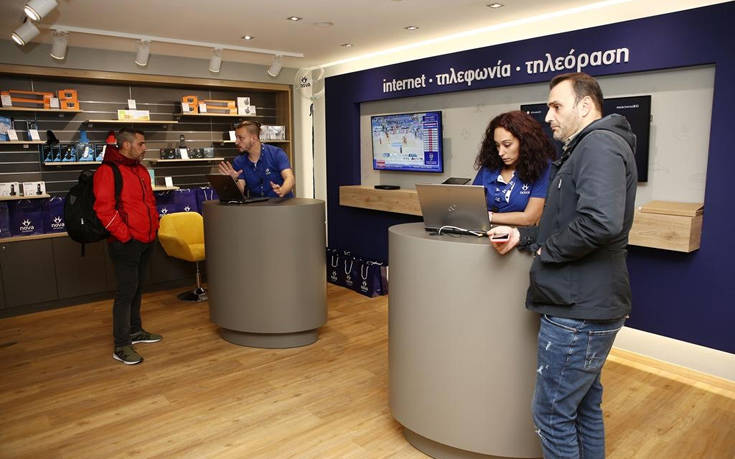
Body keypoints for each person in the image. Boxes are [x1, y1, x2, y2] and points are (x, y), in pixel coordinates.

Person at [489, 72, 637, 458]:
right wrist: (524, 236)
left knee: (552, 416)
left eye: (556, 106)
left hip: (578, 311)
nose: (548, 116)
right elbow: (563, 221)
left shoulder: (599, 146)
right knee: (583, 408)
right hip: (586, 306)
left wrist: (546, 251)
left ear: (585, 106)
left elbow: (600, 222)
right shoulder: (585, 147)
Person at [94, 128, 161, 365]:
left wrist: (154, 228)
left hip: (146, 239)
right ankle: (121, 345)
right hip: (126, 243)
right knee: (125, 293)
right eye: (140, 144)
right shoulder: (107, 171)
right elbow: (104, 210)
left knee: (137, 288)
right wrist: (126, 236)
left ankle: (135, 330)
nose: (145, 148)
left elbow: (148, 202)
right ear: (126, 145)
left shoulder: (140, 170)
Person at [472, 110, 555, 226]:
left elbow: (530, 218)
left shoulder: (543, 168)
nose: (500, 152)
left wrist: (488, 216)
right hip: (483, 232)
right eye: (497, 146)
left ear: (525, 142)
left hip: (518, 235)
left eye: (507, 145)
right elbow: (471, 207)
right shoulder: (489, 167)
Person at [218, 120, 294, 198]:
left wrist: (282, 190)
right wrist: (234, 180)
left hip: (282, 203)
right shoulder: (239, 161)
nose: (236, 142)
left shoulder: (276, 153)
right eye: (236, 137)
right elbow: (241, 190)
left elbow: (289, 178)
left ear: (254, 138)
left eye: (240, 138)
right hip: (258, 205)